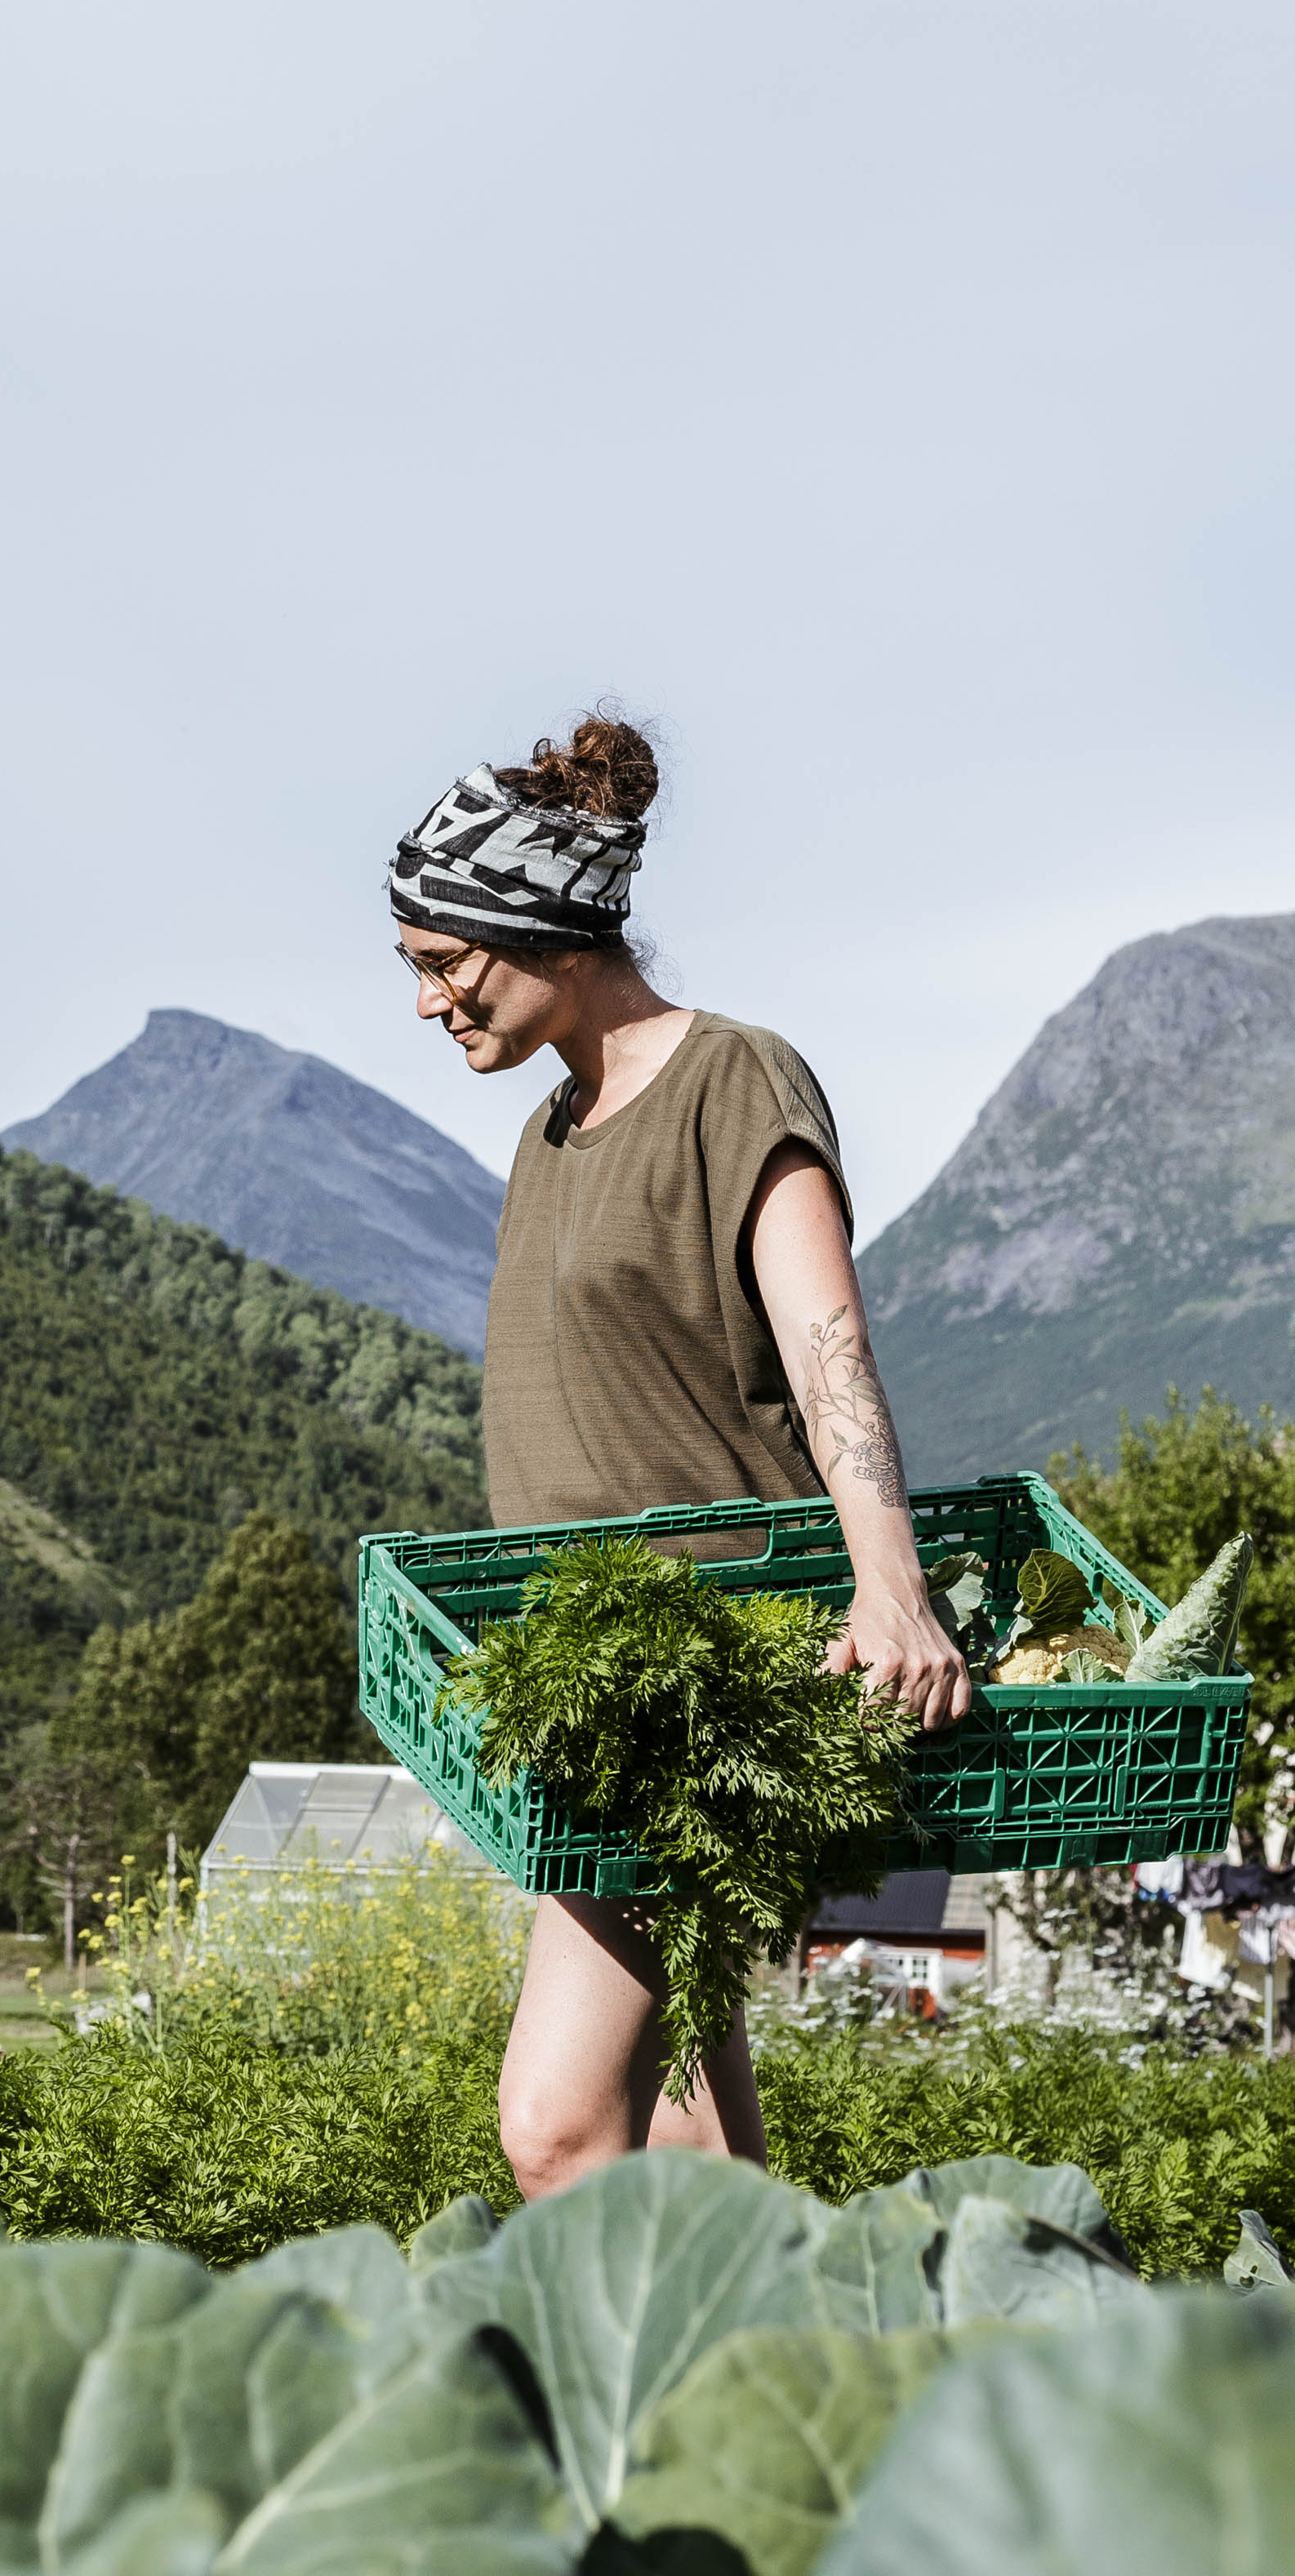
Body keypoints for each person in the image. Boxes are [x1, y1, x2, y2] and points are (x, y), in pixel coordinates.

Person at [389, 714, 969, 2196]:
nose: (427, 1000)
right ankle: (782, 2402)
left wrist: (891, 1587)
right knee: (685, 2134)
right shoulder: (550, 1133)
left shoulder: (735, 1084)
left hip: (712, 1673)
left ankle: (685, 2412)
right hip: (601, 1683)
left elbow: (829, 1347)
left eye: (445, 959)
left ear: (549, 929)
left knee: (565, 2121)